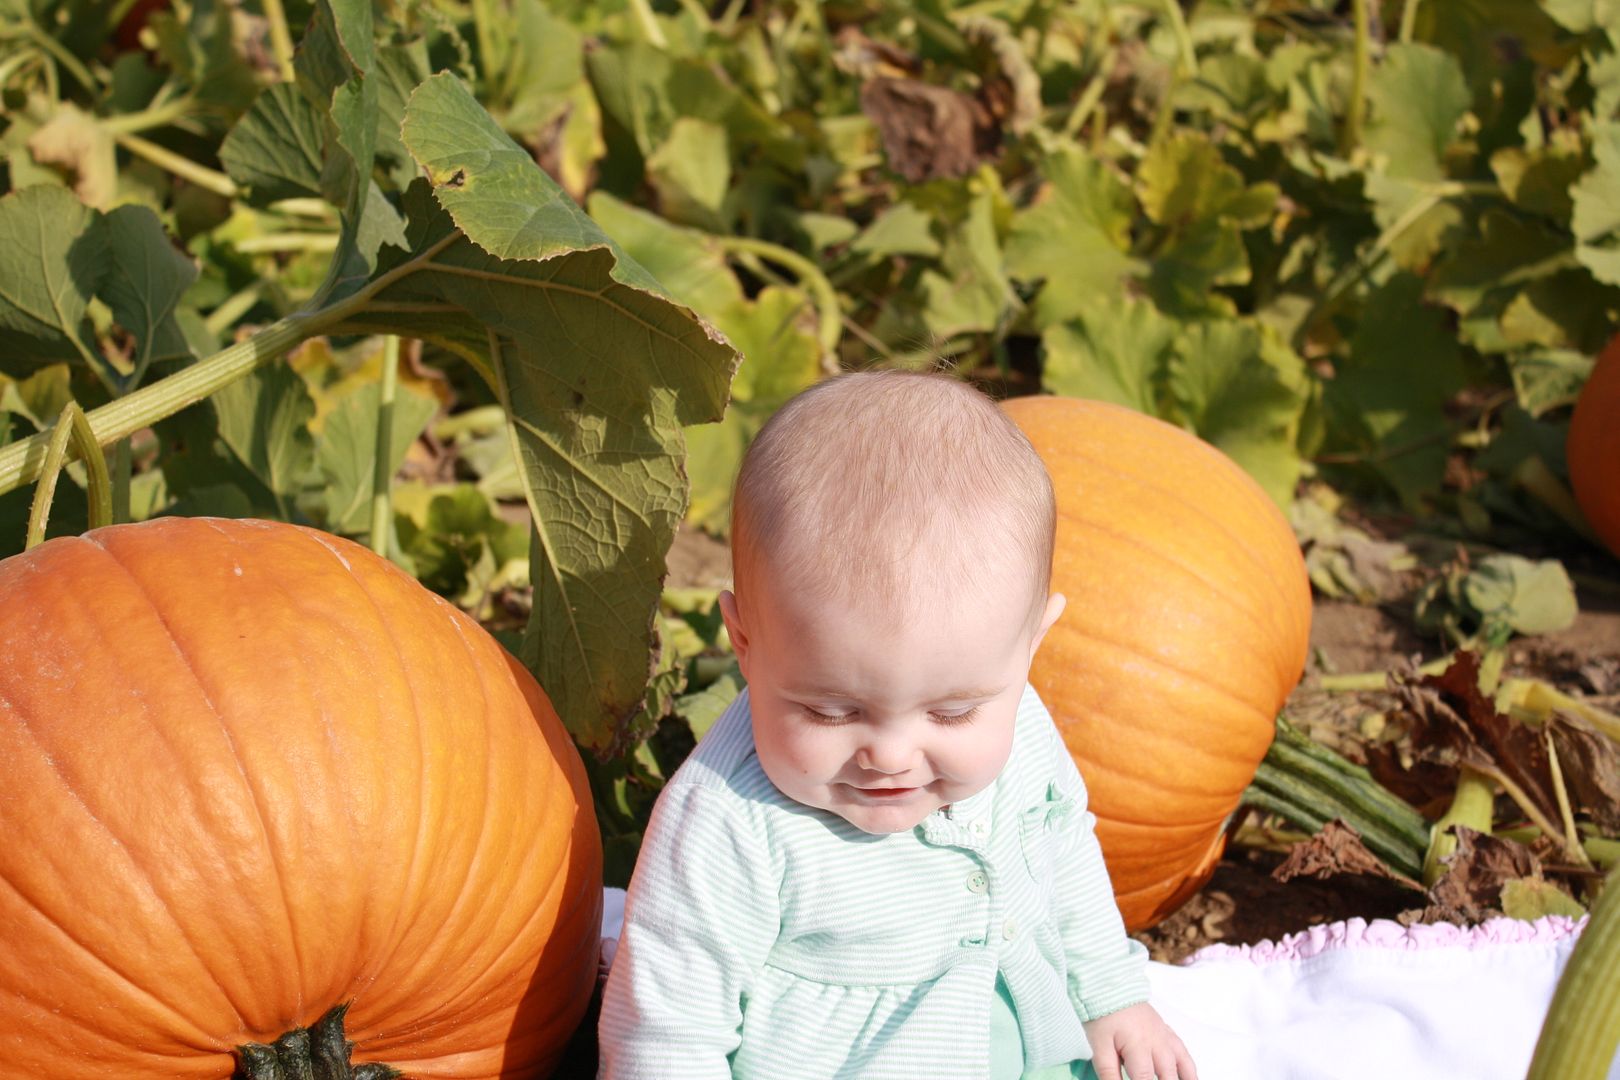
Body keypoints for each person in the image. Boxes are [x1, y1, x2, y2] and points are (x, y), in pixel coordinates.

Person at [598, 371, 1197, 1080]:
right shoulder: (729, 822)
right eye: (830, 710)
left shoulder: (1025, 722)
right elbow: (668, 1032)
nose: (890, 755)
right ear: (745, 640)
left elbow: (1062, 851)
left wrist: (1112, 999)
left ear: (1032, 645)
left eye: (953, 712)